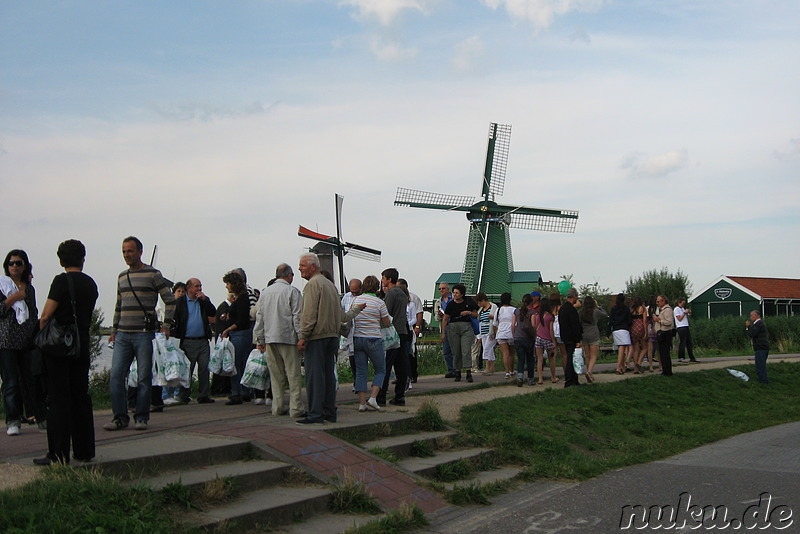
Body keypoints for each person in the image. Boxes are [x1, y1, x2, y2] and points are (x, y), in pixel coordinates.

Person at [33, 240, 98, 464]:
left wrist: (42, 336)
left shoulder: (61, 281)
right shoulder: (91, 284)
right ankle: (85, 450)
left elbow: (45, 315)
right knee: (80, 395)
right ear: (83, 258)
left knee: (59, 397)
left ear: (61, 260)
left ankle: (58, 453)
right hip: (82, 342)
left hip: (60, 347)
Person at [105, 237, 175, 431]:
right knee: (117, 377)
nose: (127, 255)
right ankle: (119, 417)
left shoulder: (153, 274)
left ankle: (141, 417)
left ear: (140, 252)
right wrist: (113, 330)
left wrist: (166, 325)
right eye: (124, 252)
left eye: (130, 251)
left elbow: (170, 300)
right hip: (122, 335)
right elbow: (119, 305)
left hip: (144, 334)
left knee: (144, 377)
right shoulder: (121, 276)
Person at [254, 263, 306, 418]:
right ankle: (295, 407)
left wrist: (259, 338)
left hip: (270, 337)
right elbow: (297, 316)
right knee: (293, 374)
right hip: (287, 337)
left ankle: (277, 406)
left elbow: (260, 316)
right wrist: (301, 336)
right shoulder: (292, 291)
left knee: (275, 375)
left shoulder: (265, 293)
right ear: (289, 275)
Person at [1, 249, 39, 437]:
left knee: (31, 379)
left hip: (27, 341)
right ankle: (13, 420)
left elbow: (33, 313)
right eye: (11, 263)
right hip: (7, 341)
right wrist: (13, 298)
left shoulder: (29, 288)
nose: (15, 266)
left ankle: (37, 414)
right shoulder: (2, 285)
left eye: (18, 263)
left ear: (25, 266)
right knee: (11, 382)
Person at [170, 278, 216, 404]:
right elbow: (174, 318)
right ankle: (183, 395)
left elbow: (213, 312)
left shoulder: (203, 301)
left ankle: (203, 395)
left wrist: (205, 300)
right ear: (189, 288)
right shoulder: (180, 302)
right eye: (196, 286)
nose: (199, 289)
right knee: (187, 369)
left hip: (202, 340)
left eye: (200, 286)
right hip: (187, 341)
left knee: (204, 367)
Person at [350, 275, 390, 412]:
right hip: (374, 338)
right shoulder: (379, 302)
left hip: (358, 338)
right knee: (380, 369)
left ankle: (362, 403)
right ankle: (373, 398)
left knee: (361, 372)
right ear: (377, 287)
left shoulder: (356, 300)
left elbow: (351, 316)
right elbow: (387, 322)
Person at [378, 268, 410, 406]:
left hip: (393, 333)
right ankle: (400, 395)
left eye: (383, 278)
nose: (382, 280)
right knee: (401, 365)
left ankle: (381, 396)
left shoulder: (391, 294)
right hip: (403, 331)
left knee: (386, 365)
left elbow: (387, 313)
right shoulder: (402, 293)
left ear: (389, 280)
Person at [220, 271, 253, 405]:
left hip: (239, 334)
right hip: (244, 334)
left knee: (235, 364)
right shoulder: (242, 298)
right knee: (243, 363)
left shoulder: (241, 299)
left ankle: (236, 392)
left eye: (228, 283)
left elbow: (242, 319)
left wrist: (228, 328)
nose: (227, 286)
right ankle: (245, 391)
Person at [441, 283, 478, 383]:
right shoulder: (451, 304)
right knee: (456, 351)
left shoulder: (468, 302)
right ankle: (457, 371)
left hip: (466, 327)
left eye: (457, 293)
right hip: (453, 328)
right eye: (453, 293)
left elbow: (476, 314)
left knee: (466, 351)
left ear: (462, 294)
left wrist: (468, 312)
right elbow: (445, 318)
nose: (455, 295)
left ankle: (468, 372)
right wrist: (443, 332)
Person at [398, 278, 423, 385]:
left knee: (410, 353)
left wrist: (417, 326)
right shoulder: (396, 297)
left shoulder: (414, 299)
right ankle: (401, 376)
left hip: (409, 329)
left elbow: (419, 313)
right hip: (399, 330)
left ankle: (412, 375)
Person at [559, 288, 583, 388]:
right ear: (574, 297)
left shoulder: (562, 308)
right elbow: (575, 325)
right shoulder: (572, 310)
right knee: (571, 359)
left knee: (570, 357)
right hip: (572, 337)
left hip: (564, 336)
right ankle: (570, 379)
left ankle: (573, 379)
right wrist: (578, 339)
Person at [579, 295, 606, 383]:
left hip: (584, 335)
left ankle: (589, 373)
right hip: (594, 334)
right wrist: (598, 306)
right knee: (594, 355)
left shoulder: (581, 312)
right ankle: (589, 371)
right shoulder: (596, 311)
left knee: (587, 355)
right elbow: (605, 314)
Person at [340, 278, 362, 380]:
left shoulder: (363, 297)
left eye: (356, 292)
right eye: (352, 291)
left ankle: (361, 379)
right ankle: (356, 379)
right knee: (352, 355)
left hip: (362, 329)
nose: (354, 294)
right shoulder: (346, 297)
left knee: (361, 356)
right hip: (350, 330)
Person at [513, 294, 536, 386]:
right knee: (530, 359)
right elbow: (533, 325)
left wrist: (514, 335)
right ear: (531, 302)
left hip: (518, 337)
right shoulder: (532, 312)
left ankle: (520, 376)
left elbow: (512, 324)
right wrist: (535, 334)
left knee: (520, 359)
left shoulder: (516, 311)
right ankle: (530, 379)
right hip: (528, 338)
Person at [434, 282, 456, 378]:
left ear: (448, 289)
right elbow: (436, 318)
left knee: (455, 349)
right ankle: (451, 370)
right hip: (444, 326)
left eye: (443, 288)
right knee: (446, 350)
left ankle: (457, 369)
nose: (441, 290)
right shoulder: (438, 302)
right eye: (439, 289)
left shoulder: (455, 299)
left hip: (454, 325)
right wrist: (439, 315)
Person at [534, 298, 558, 385]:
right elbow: (551, 330)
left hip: (538, 338)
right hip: (547, 339)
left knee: (539, 359)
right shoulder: (550, 316)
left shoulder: (537, 316)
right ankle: (553, 377)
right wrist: (553, 341)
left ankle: (540, 379)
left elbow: (535, 327)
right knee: (551, 358)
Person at [609, 293, 632, 375]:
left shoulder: (613, 309)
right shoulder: (626, 309)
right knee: (622, 348)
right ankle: (619, 367)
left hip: (616, 329)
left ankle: (622, 366)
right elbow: (629, 320)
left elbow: (610, 321)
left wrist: (608, 332)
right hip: (624, 329)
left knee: (620, 348)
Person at [475, 292, 498, 375]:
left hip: (491, 330)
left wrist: (493, 317)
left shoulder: (493, 307)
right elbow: (479, 321)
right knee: (488, 349)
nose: (479, 304)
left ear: (484, 300)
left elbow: (497, 318)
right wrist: (479, 335)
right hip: (483, 331)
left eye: (480, 302)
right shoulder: (480, 310)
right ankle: (492, 367)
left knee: (487, 349)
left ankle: (487, 368)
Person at [494, 292, 516, 380]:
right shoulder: (514, 309)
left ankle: (506, 372)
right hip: (511, 332)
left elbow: (495, 323)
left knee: (505, 353)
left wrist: (496, 333)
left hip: (501, 332)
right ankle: (511, 370)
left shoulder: (498, 310)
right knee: (511, 353)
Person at [653, 295, 674, 376]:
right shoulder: (661, 310)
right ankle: (665, 370)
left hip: (665, 332)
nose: (657, 303)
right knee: (662, 353)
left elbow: (669, 322)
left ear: (663, 301)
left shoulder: (667, 310)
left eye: (658, 301)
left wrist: (659, 320)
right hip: (661, 332)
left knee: (665, 353)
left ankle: (668, 371)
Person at [745, 310, 769, 384]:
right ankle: (762, 380)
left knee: (760, 365)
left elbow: (752, 334)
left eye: (752, 315)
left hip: (761, 347)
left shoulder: (758, 324)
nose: (750, 317)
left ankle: (763, 381)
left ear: (757, 315)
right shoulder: (758, 324)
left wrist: (748, 326)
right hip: (761, 347)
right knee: (760, 365)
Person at [629, 297, 649, 373]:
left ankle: (635, 369)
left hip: (633, 328)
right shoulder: (643, 308)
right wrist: (646, 332)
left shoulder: (631, 309)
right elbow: (644, 321)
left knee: (636, 349)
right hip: (640, 327)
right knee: (644, 348)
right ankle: (639, 362)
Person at [674, 298, 696, 363]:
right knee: (682, 342)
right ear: (679, 303)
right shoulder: (676, 309)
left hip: (686, 326)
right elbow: (679, 318)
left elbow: (685, 317)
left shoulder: (682, 309)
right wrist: (684, 313)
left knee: (689, 342)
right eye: (682, 303)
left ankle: (692, 357)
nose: (683, 305)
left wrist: (688, 313)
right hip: (681, 327)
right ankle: (681, 357)